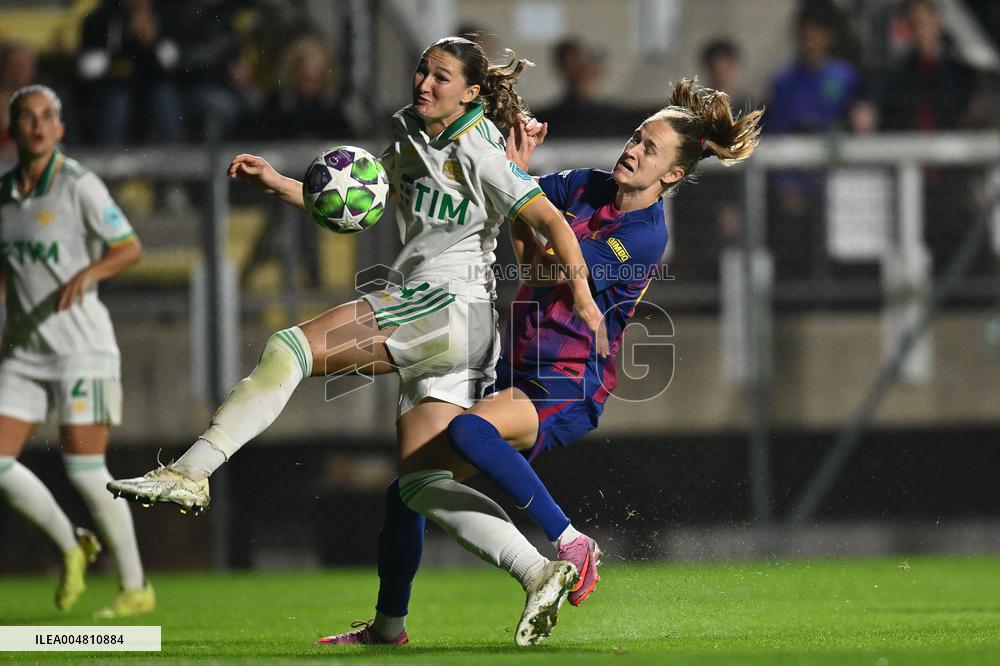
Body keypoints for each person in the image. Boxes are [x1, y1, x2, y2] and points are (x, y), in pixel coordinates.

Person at [108, 36, 606, 643]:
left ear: (472, 94)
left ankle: (192, 469)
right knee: (421, 486)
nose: (424, 82)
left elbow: (550, 220)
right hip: (459, 328)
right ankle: (534, 572)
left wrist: (582, 294)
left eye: (441, 77)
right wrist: (280, 183)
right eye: (422, 70)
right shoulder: (411, 133)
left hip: (444, 306)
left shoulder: (478, 148)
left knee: (290, 347)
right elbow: (361, 200)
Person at [320, 78, 763, 646]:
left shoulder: (645, 236)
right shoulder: (586, 184)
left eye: (649, 149)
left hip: (568, 382)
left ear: (672, 175)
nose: (632, 150)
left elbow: (546, 266)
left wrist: (518, 193)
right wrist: (510, 173)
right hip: (517, 366)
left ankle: (571, 541)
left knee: (470, 431)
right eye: (635, 137)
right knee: (408, 489)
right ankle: (388, 629)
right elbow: (511, 201)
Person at [0, 85, 151, 617]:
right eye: (27, 117)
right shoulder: (3, 194)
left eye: (48, 117)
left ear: (60, 128)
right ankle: (72, 545)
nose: (38, 126)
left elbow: (129, 246)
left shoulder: (78, 184)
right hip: (24, 349)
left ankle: (135, 585)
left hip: (82, 349)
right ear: (13, 128)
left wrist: (89, 273)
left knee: (85, 469)